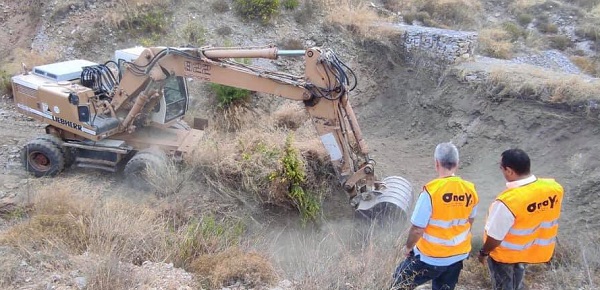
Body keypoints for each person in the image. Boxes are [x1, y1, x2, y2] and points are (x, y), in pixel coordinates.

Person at [392, 142, 479, 290]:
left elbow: (417, 229)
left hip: (430, 257)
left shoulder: (431, 192)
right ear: (457, 164)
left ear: (436, 163)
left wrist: (408, 247)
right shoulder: (470, 190)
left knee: (399, 282)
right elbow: (469, 221)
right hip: (457, 257)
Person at [478, 148, 564, 290]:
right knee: (518, 282)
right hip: (528, 251)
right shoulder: (554, 188)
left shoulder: (508, 201)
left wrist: (483, 253)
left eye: (501, 168)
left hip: (504, 256)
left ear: (509, 171)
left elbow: (495, 237)